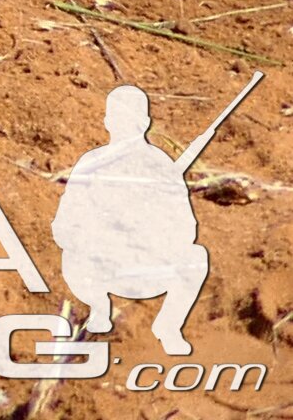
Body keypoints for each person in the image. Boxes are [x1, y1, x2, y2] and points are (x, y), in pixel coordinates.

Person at [51, 83, 210, 356]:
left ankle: (169, 326)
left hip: (145, 264)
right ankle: (99, 309)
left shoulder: (161, 166)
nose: (125, 126)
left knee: (196, 258)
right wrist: (101, 231)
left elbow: (186, 228)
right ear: (108, 121)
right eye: (119, 119)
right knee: (73, 254)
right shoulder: (92, 163)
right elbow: (65, 223)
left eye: (132, 120)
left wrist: (150, 230)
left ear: (145, 123)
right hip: (98, 265)